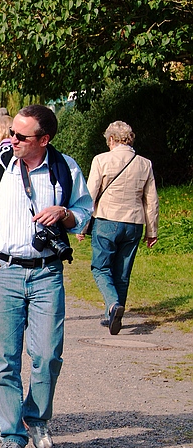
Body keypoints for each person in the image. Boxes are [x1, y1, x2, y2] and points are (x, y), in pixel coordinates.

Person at [0, 105, 92, 448]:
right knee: (5, 360)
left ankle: (37, 419)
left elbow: (84, 212)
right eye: (12, 133)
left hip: (46, 272)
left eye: (22, 136)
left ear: (44, 139)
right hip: (2, 270)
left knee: (48, 355)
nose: (13, 140)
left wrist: (66, 214)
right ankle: (11, 434)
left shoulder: (64, 168)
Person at [84, 121, 158, 335]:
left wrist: (83, 225)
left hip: (107, 220)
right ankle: (115, 316)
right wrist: (152, 231)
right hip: (134, 223)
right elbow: (151, 200)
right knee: (122, 273)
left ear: (111, 140)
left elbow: (90, 194)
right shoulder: (145, 163)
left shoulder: (101, 160)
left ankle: (113, 305)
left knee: (100, 268)